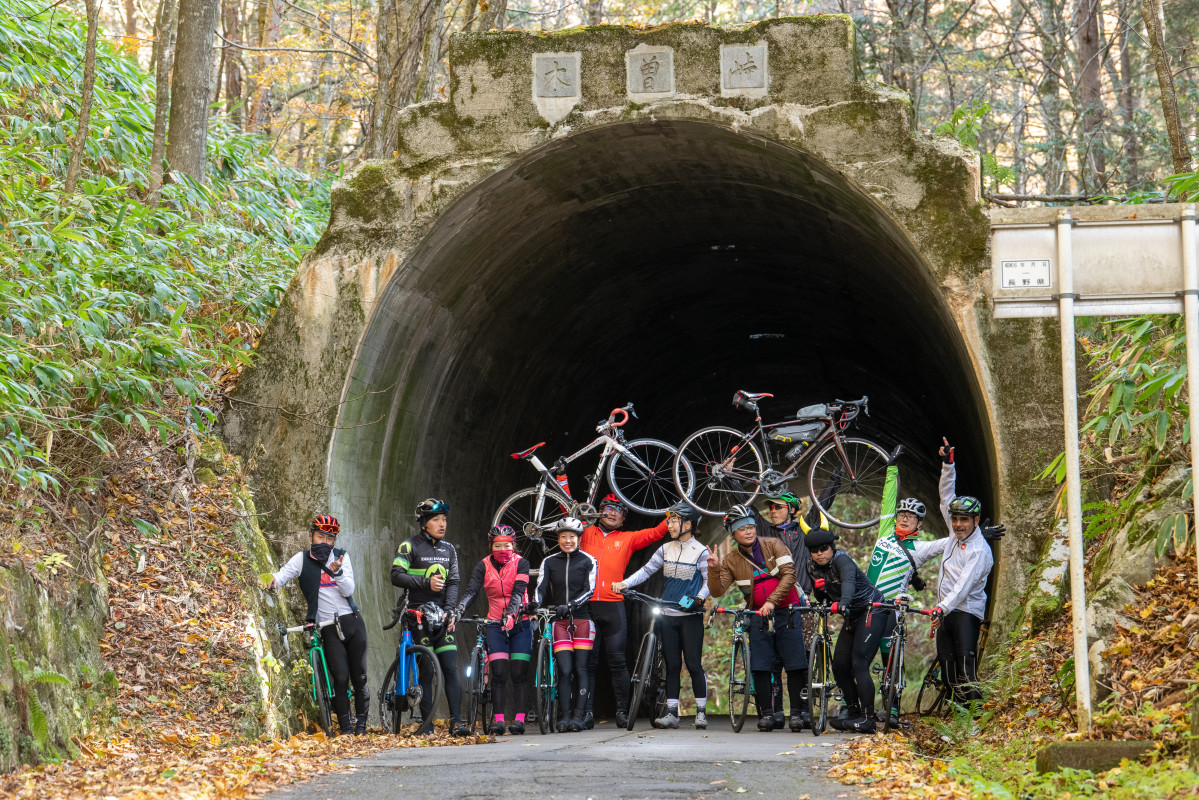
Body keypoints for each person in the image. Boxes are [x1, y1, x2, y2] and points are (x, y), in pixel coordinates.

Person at [707, 503, 808, 732]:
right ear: (733, 534)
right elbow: (717, 591)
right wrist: (713, 569)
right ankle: (768, 714)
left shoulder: (774, 544)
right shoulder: (731, 560)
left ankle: (796, 714)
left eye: (751, 526)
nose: (749, 531)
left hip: (787, 610)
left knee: (794, 665)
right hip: (757, 614)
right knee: (761, 666)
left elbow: (789, 575)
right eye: (742, 528)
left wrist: (772, 601)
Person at [915, 437, 998, 708]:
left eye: (964, 520)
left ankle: (975, 721)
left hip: (966, 612)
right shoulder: (953, 536)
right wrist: (948, 464)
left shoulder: (980, 550)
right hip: (947, 612)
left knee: (965, 671)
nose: (958, 524)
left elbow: (963, 585)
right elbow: (946, 497)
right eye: (955, 519)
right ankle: (961, 721)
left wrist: (941, 607)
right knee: (948, 675)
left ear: (976, 521)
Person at [613, 501, 711, 729]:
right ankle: (673, 713)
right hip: (667, 614)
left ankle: (701, 713)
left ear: (688, 523)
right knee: (672, 664)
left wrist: (697, 599)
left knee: (694, 665)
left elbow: (707, 583)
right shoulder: (665, 549)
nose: (670, 525)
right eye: (669, 520)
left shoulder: (701, 551)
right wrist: (625, 583)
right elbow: (647, 570)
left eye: (674, 520)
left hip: (690, 617)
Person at [270, 514, 369, 735]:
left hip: (351, 622)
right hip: (327, 625)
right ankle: (345, 728)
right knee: (341, 678)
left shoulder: (342, 557)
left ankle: (361, 726)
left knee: (359, 676)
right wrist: (272, 580)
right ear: (311, 536)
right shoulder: (302, 559)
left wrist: (338, 572)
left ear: (334, 541)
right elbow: (283, 574)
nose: (325, 542)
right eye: (320, 536)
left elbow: (349, 590)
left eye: (329, 538)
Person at [580, 493, 669, 728]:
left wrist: (676, 510)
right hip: (586, 605)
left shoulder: (627, 539)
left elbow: (656, 533)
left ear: (623, 518)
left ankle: (622, 711)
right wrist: (561, 478)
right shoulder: (584, 531)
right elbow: (568, 508)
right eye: (607, 507)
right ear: (598, 511)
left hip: (613, 605)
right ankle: (586, 711)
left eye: (618, 510)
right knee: (588, 661)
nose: (611, 512)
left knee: (617, 661)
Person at [390, 498, 469, 736]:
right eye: (436, 520)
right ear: (424, 523)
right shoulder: (409, 546)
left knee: (450, 668)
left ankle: (456, 722)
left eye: (444, 519)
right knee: (427, 672)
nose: (442, 524)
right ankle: (427, 725)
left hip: (442, 618)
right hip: (418, 618)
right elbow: (396, 575)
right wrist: (425, 583)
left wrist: (450, 609)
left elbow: (453, 581)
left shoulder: (449, 550)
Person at [804, 518, 889, 734]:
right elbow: (821, 594)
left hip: (872, 610)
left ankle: (868, 719)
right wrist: (821, 596)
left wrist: (842, 602)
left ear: (832, 547)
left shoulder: (843, 561)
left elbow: (848, 583)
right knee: (840, 666)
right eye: (814, 550)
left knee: (859, 662)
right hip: (851, 616)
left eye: (824, 548)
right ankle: (853, 713)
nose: (820, 553)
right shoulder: (811, 567)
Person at [455, 525, 533, 735]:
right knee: (499, 673)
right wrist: (459, 609)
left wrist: (511, 614)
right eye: (497, 545)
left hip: (520, 623)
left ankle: (519, 720)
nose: (502, 549)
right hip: (495, 624)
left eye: (507, 545)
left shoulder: (522, 563)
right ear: (490, 546)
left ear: (513, 546)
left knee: (518, 673)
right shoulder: (482, 566)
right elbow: (472, 591)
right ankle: (498, 721)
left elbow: (518, 592)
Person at [534, 517, 599, 732]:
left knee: (581, 669)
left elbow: (589, 590)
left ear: (579, 538)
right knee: (564, 670)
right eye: (563, 537)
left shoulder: (589, 560)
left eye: (572, 536)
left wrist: (570, 606)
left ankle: (579, 717)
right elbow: (541, 587)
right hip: (560, 622)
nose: (568, 541)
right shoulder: (549, 562)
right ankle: (564, 716)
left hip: (582, 619)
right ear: (558, 539)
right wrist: (534, 603)